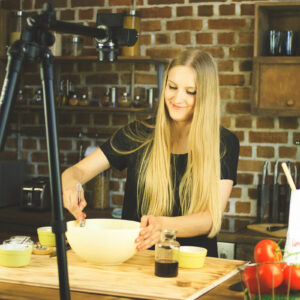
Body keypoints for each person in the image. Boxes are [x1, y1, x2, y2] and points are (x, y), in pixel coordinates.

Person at [62, 49, 239, 257]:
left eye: (191, 91)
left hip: (195, 266)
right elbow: (78, 171)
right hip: (136, 261)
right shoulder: (137, 134)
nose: (177, 98)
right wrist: (70, 187)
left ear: (206, 95)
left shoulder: (224, 143)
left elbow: (209, 219)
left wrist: (161, 225)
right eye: (172, 87)